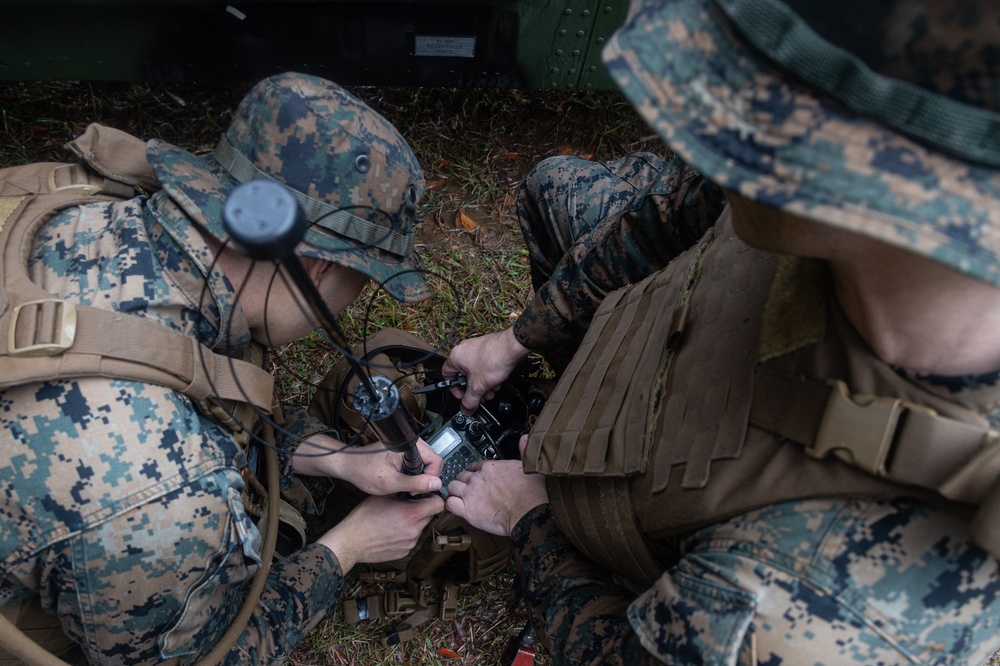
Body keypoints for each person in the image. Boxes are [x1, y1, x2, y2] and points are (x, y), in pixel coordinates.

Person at [442, 0, 1000, 663]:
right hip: (653, 359)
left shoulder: (810, 611)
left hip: (672, 540)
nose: (698, 126)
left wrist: (526, 518)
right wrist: (518, 340)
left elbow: (614, 653)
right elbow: (672, 218)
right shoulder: (799, 203)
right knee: (555, 190)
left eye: (757, 105)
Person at [0, 72, 445, 664]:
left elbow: (194, 370)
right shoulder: (160, 496)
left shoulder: (86, 204)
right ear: (317, 269)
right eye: (357, 285)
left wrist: (335, 459)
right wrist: (351, 544)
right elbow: (208, 656)